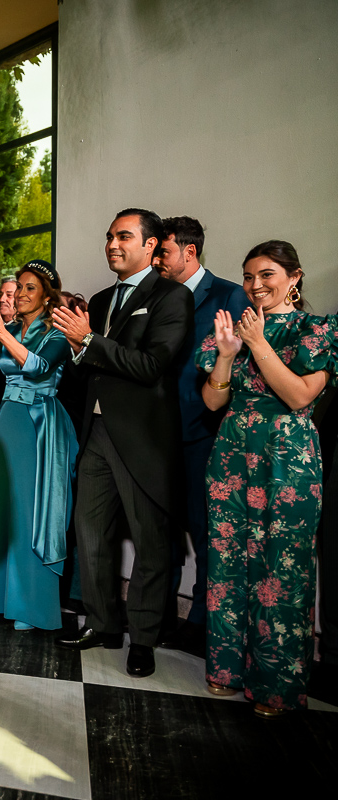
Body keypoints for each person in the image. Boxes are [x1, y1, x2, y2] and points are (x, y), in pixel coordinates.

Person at [51, 208, 193, 679]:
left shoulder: (172, 297)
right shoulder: (99, 298)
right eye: (110, 236)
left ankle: (144, 639)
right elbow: (88, 369)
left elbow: (152, 366)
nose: (113, 244)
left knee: (151, 542)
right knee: (91, 534)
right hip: (95, 433)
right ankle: (104, 624)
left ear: (151, 245)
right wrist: (77, 348)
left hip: (142, 438)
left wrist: (89, 340)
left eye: (124, 236)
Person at [197, 240, 330, 717]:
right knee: (228, 561)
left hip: (288, 460)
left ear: (294, 277)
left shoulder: (316, 329)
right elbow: (213, 401)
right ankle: (227, 669)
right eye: (249, 276)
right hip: (232, 454)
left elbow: (299, 396)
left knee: (282, 568)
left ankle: (275, 685)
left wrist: (257, 344)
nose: (255, 285)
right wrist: (227, 354)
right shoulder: (232, 328)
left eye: (267, 274)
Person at [0, 261, 76, 631]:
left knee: (29, 512)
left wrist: (1, 333)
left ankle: (27, 605)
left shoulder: (57, 332)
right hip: (8, 420)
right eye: (19, 287)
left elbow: (40, 367)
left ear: (46, 297)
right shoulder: (9, 329)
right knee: (0, 509)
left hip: (38, 424)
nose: (21, 294)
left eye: (30, 288)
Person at [154, 216, 249, 652]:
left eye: (164, 252)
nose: (157, 260)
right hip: (157, 433)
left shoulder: (229, 295)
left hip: (205, 433)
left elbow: (240, 366)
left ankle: (201, 622)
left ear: (189, 252)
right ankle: (159, 616)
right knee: (162, 532)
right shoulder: (157, 295)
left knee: (208, 533)